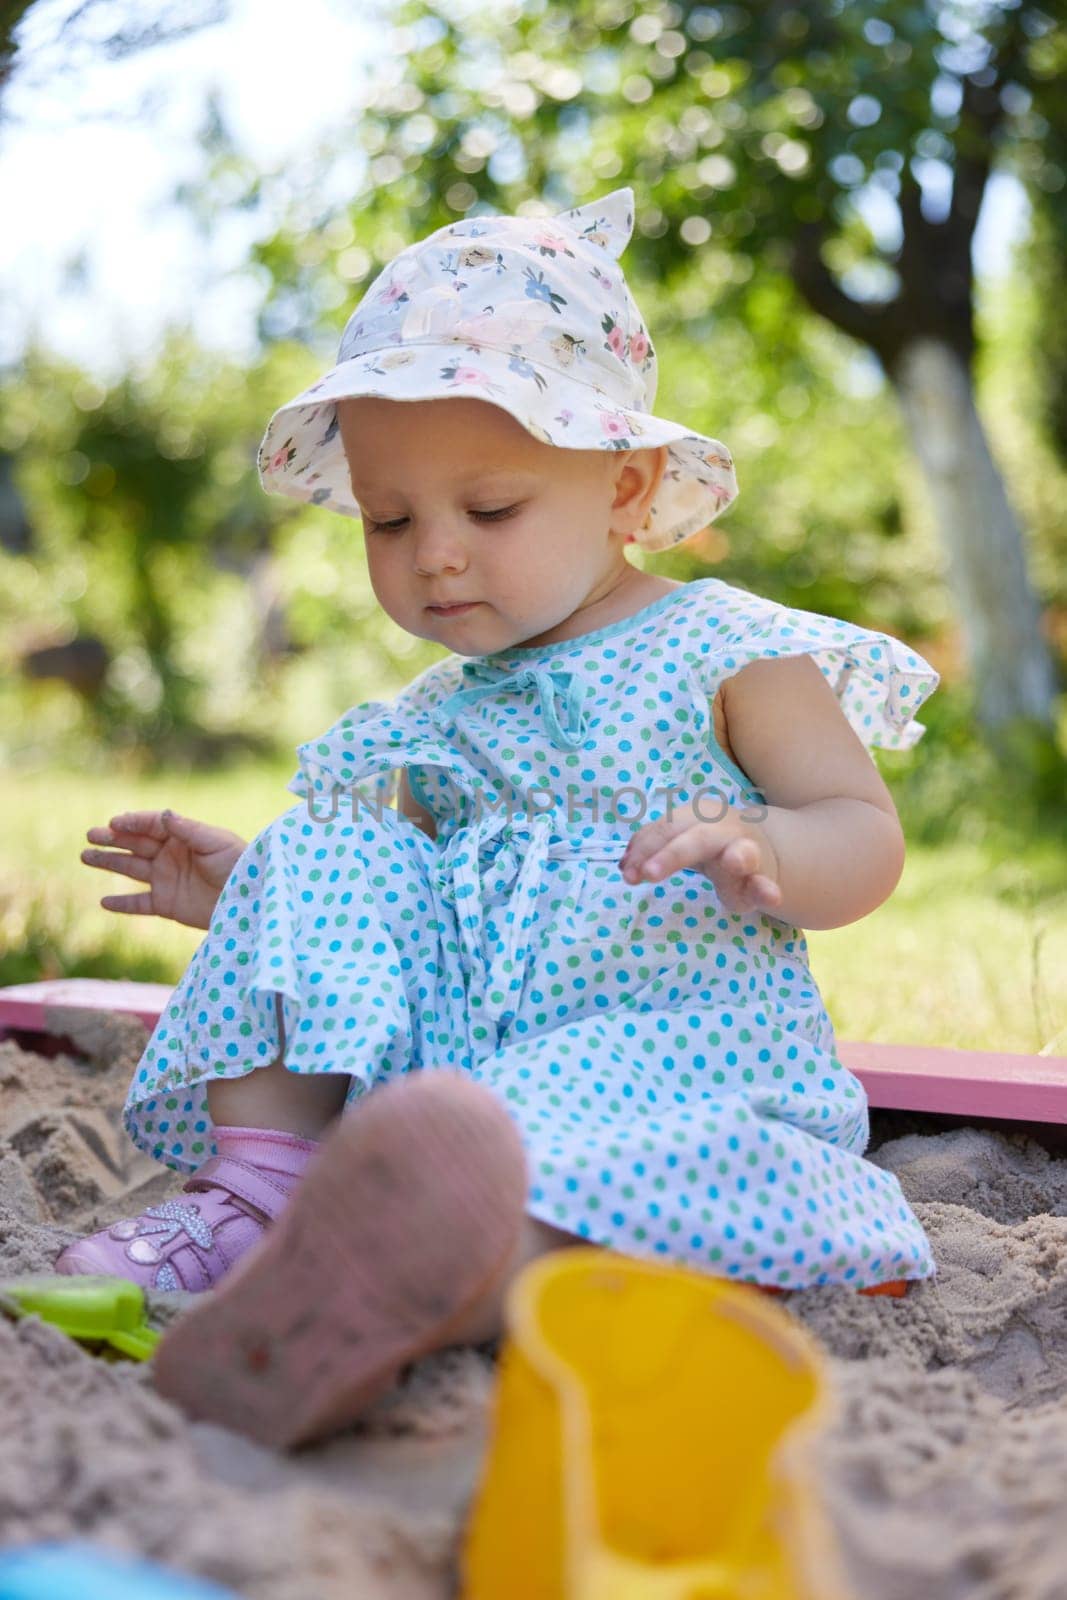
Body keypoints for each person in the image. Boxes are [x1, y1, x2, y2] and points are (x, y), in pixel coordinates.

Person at [56, 186, 940, 1449]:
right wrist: (257, 886)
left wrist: (775, 849)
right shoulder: (432, 712)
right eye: (389, 520)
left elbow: (861, 828)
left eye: (490, 510)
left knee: (545, 1191)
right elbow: (387, 874)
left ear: (625, 489)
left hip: (653, 1063)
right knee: (332, 833)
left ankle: (383, 1297)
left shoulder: (730, 653)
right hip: (449, 1080)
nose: (435, 559)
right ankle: (263, 1194)